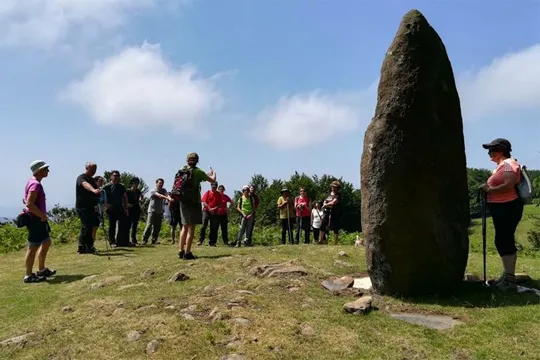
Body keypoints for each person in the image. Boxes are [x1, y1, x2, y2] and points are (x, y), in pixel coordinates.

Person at [481, 138, 524, 290]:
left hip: (508, 206)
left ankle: (509, 279)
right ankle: (507, 276)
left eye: (491, 150)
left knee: (504, 240)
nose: (489, 153)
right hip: (503, 207)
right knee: (503, 239)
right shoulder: (502, 165)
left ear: (500, 151)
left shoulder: (508, 164)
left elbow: (508, 184)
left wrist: (489, 190)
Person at [177, 152, 216, 260]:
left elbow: (201, 176)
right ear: (197, 160)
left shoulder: (182, 169)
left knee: (184, 226)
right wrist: (213, 173)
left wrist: (207, 174)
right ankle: (188, 253)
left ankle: (181, 251)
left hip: (183, 200)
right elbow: (212, 180)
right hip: (193, 201)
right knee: (191, 227)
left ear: (187, 160)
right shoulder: (198, 172)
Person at [22, 160, 56, 283]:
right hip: (35, 219)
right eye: (45, 169)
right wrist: (42, 215)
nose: (48, 171)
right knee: (33, 246)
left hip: (37, 218)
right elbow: (29, 203)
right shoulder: (35, 184)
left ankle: (41, 269)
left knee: (46, 242)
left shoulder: (32, 182)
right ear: (39, 171)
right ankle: (28, 275)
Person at [75, 162, 101, 254]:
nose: (93, 171)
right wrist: (93, 190)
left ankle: (89, 246)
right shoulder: (82, 177)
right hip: (82, 207)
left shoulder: (92, 180)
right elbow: (85, 184)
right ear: (86, 168)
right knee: (86, 227)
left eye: (95, 170)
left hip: (92, 207)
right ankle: (81, 247)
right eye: (92, 169)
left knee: (92, 226)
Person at [102, 170, 130, 247]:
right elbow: (102, 197)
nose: (116, 177)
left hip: (120, 208)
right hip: (111, 209)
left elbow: (125, 197)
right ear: (111, 176)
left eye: (117, 176)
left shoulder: (121, 187)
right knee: (112, 226)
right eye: (114, 175)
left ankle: (121, 241)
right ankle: (112, 242)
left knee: (123, 225)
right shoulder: (106, 187)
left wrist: (126, 208)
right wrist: (105, 205)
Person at [142, 178, 172, 245]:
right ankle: (144, 240)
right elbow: (160, 196)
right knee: (149, 225)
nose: (161, 184)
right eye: (160, 183)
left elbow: (167, 194)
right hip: (152, 211)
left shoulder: (164, 190)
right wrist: (168, 199)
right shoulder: (153, 191)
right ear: (156, 184)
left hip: (160, 211)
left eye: (162, 183)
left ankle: (154, 240)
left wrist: (169, 198)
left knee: (157, 226)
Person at [319, 181, 342, 245]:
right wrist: (325, 204)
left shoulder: (338, 195)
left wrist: (326, 205)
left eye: (335, 187)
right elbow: (324, 201)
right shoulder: (328, 194)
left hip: (335, 212)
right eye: (332, 186)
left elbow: (334, 202)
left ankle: (335, 242)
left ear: (337, 188)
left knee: (335, 227)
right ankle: (320, 240)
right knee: (322, 224)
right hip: (327, 212)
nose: (333, 188)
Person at [200, 182, 222, 246]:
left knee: (214, 227)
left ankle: (212, 242)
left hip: (214, 212)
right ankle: (200, 240)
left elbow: (220, 204)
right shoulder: (208, 192)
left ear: (216, 187)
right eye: (212, 187)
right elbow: (204, 202)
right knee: (204, 225)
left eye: (215, 187)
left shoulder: (219, 194)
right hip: (206, 211)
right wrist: (210, 208)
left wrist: (214, 209)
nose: (213, 188)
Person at [126, 177, 143, 245]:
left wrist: (141, 198)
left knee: (135, 225)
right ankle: (127, 239)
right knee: (128, 225)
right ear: (132, 183)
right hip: (129, 209)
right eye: (135, 183)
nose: (136, 184)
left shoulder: (138, 191)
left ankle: (134, 239)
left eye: (137, 183)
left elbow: (140, 197)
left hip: (136, 209)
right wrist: (127, 204)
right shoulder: (128, 191)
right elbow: (124, 199)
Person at [92, 176, 108, 244]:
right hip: (93, 211)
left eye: (102, 181)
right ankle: (89, 244)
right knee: (92, 228)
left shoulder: (103, 191)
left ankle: (92, 244)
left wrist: (104, 209)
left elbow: (105, 202)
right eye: (100, 181)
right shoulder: (93, 190)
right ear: (96, 182)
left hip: (100, 211)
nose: (102, 182)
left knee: (96, 227)